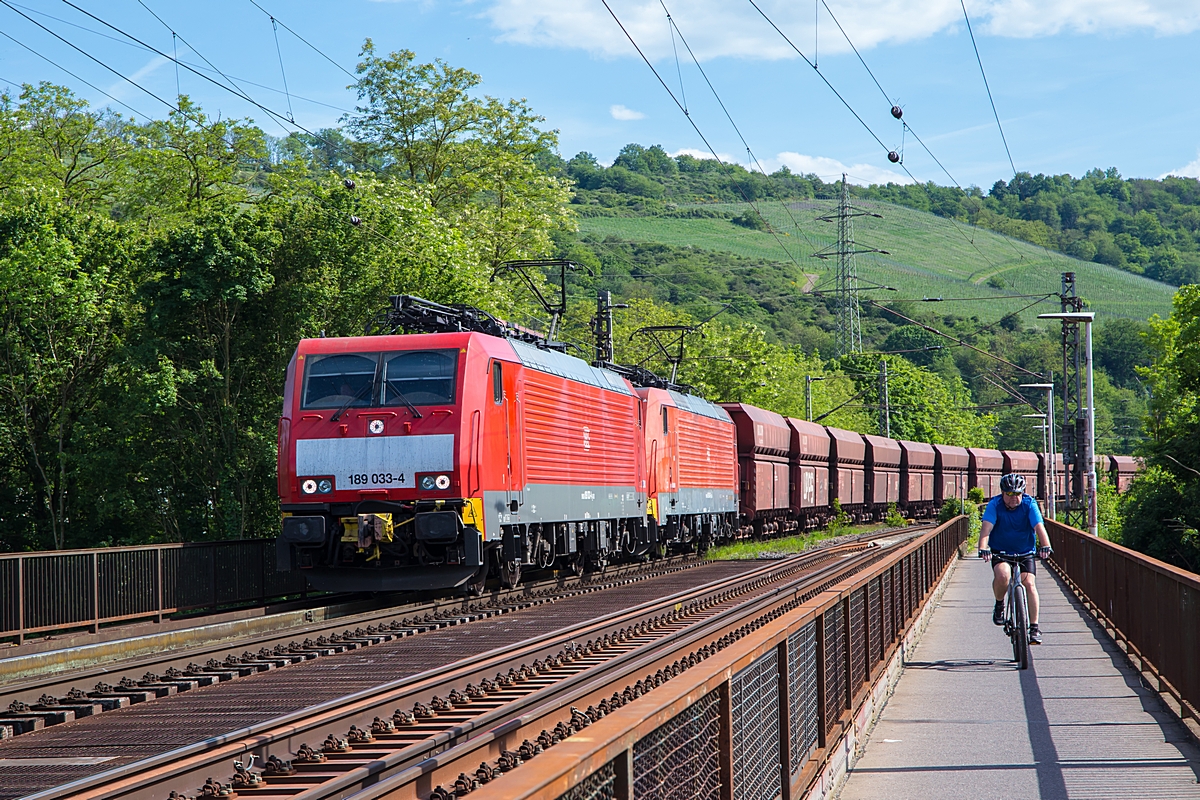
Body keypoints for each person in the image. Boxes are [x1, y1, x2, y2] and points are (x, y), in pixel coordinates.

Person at [977, 473, 1053, 644]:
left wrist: (1045, 545)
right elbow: (986, 530)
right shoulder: (995, 505)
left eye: (1017, 494)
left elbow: (1039, 527)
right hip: (1001, 551)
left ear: (1023, 492)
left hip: (1025, 551)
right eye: (1009, 494)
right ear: (1002, 493)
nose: (1014, 498)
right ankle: (999, 604)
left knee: (1030, 584)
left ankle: (1034, 628)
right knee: (1003, 576)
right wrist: (983, 548)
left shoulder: (1029, 504)